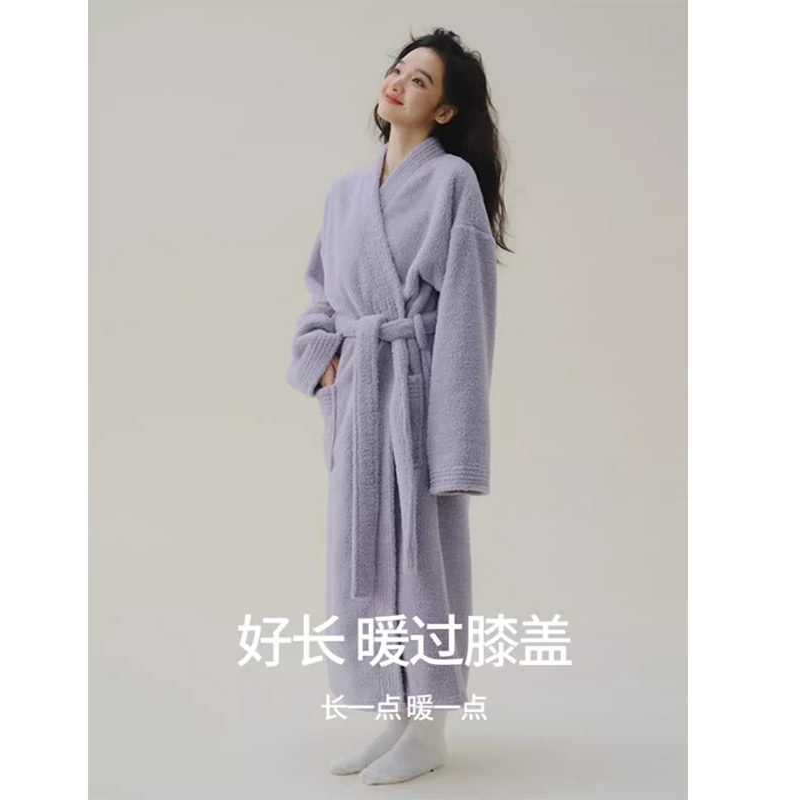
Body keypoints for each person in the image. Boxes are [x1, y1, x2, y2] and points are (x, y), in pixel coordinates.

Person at [286, 27, 510, 785]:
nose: (399, 83)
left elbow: (467, 317)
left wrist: (457, 446)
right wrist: (325, 362)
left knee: (423, 562)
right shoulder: (346, 193)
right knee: (364, 562)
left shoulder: (452, 185)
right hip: (358, 398)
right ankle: (393, 711)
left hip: (416, 397)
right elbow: (321, 295)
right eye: (397, 70)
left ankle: (432, 725)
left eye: (420, 80)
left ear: (444, 110)